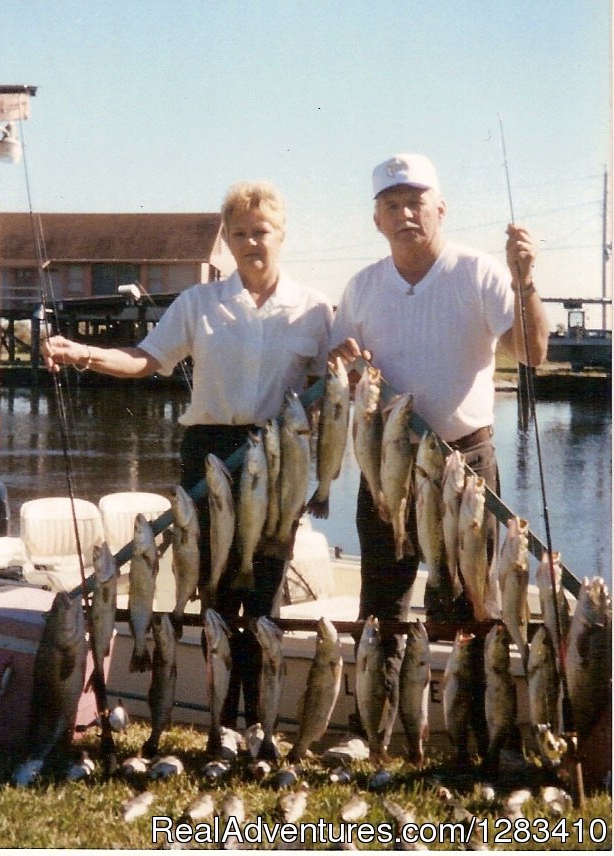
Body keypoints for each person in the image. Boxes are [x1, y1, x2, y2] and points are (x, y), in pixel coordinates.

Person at [42, 180, 333, 735]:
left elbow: (330, 392)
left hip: (279, 457)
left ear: (283, 234)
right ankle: (221, 726)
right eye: (240, 233)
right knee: (217, 594)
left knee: (265, 591)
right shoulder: (199, 302)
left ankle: (260, 728)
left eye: (262, 232)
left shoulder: (315, 309)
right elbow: (145, 359)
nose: (252, 243)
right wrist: (83, 354)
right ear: (226, 239)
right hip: (211, 452)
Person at [330, 153, 549, 759]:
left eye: (416, 202)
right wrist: (346, 365)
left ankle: (475, 737)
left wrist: (525, 278)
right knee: (382, 600)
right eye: (391, 205)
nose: (405, 214)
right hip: (387, 463)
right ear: (376, 219)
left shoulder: (479, 272)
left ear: (440, 208)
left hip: (465, 464)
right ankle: (372, 732)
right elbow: (340, 364)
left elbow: (532, 353)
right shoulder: (362, 286)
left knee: (470, 607)